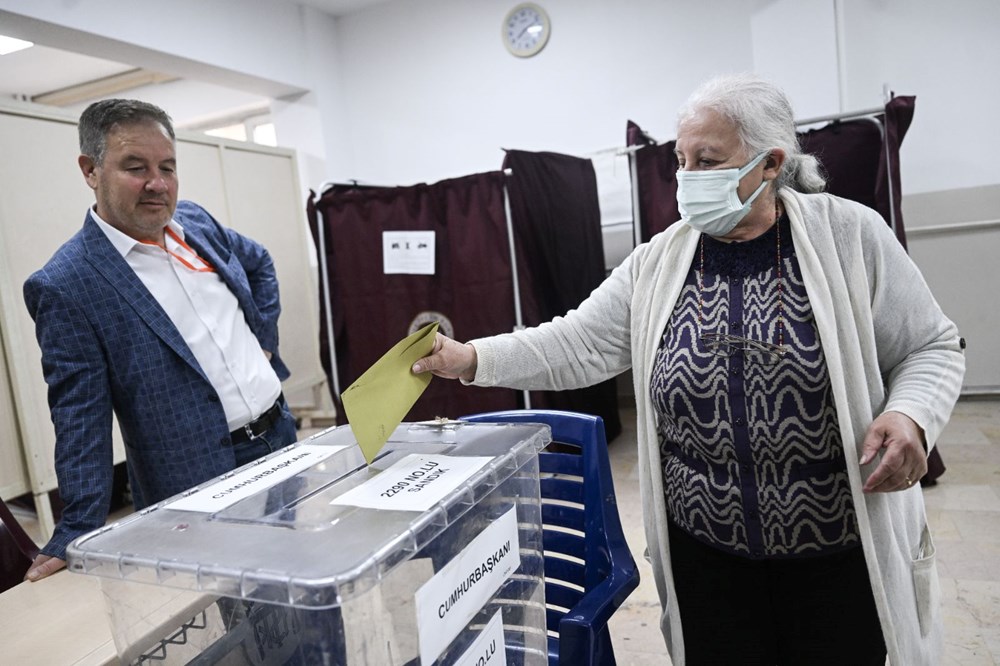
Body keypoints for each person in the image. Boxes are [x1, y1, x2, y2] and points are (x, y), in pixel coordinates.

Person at [413, 74, 964, 665]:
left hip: (835, 553)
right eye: (681, 160)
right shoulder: (658, 261)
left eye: (709, 159)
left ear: (770, 163)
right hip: (706, 557)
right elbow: (577, 341)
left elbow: (931, 345)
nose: (689, 177)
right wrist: (471, 358)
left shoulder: (850, 236)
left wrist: (910, 415)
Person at [23, 99, 298, 582]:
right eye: (136, 167)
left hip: (279, 436)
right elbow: (78, 416)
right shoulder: (68, 284)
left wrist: (265, 341)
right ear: (90, 169)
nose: (158, 183)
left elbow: (259, 262)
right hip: (196, 476)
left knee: (300, 575)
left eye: (167, 167)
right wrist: (77, 526)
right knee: (230, 610)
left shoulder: (193, 222)